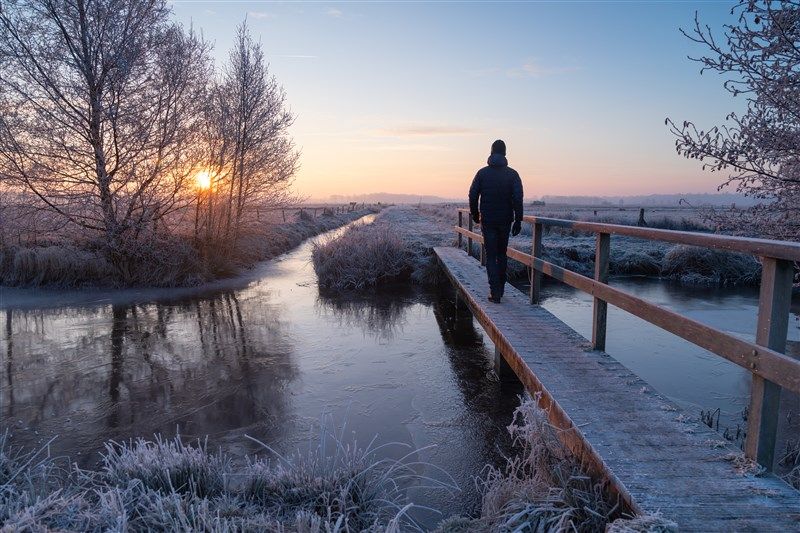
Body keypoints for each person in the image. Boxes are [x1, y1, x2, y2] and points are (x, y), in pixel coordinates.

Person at [468, 139, 524, 303]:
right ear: (505, 153)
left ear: (491, 152)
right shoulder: (513, 174)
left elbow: (472, 195)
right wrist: (518, 220)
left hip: (489, 220)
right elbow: (518, 198)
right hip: (505, 220)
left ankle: (495, 291)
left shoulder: (482, 173)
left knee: (491, 255)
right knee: (502, 253)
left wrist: (475, 214)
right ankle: (501, 287)